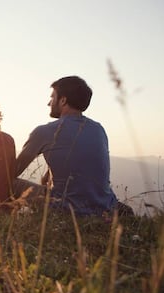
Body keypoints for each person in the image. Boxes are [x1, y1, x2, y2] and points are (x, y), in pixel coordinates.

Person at [15, 76, 132, 216]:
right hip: (105, 207)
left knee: (8, 182)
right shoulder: (98, 129)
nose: (49, 103)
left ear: (63, 100)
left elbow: (14, 170)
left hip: (64, 208)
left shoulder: (44, 132)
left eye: (52, 97)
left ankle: (4, 219)